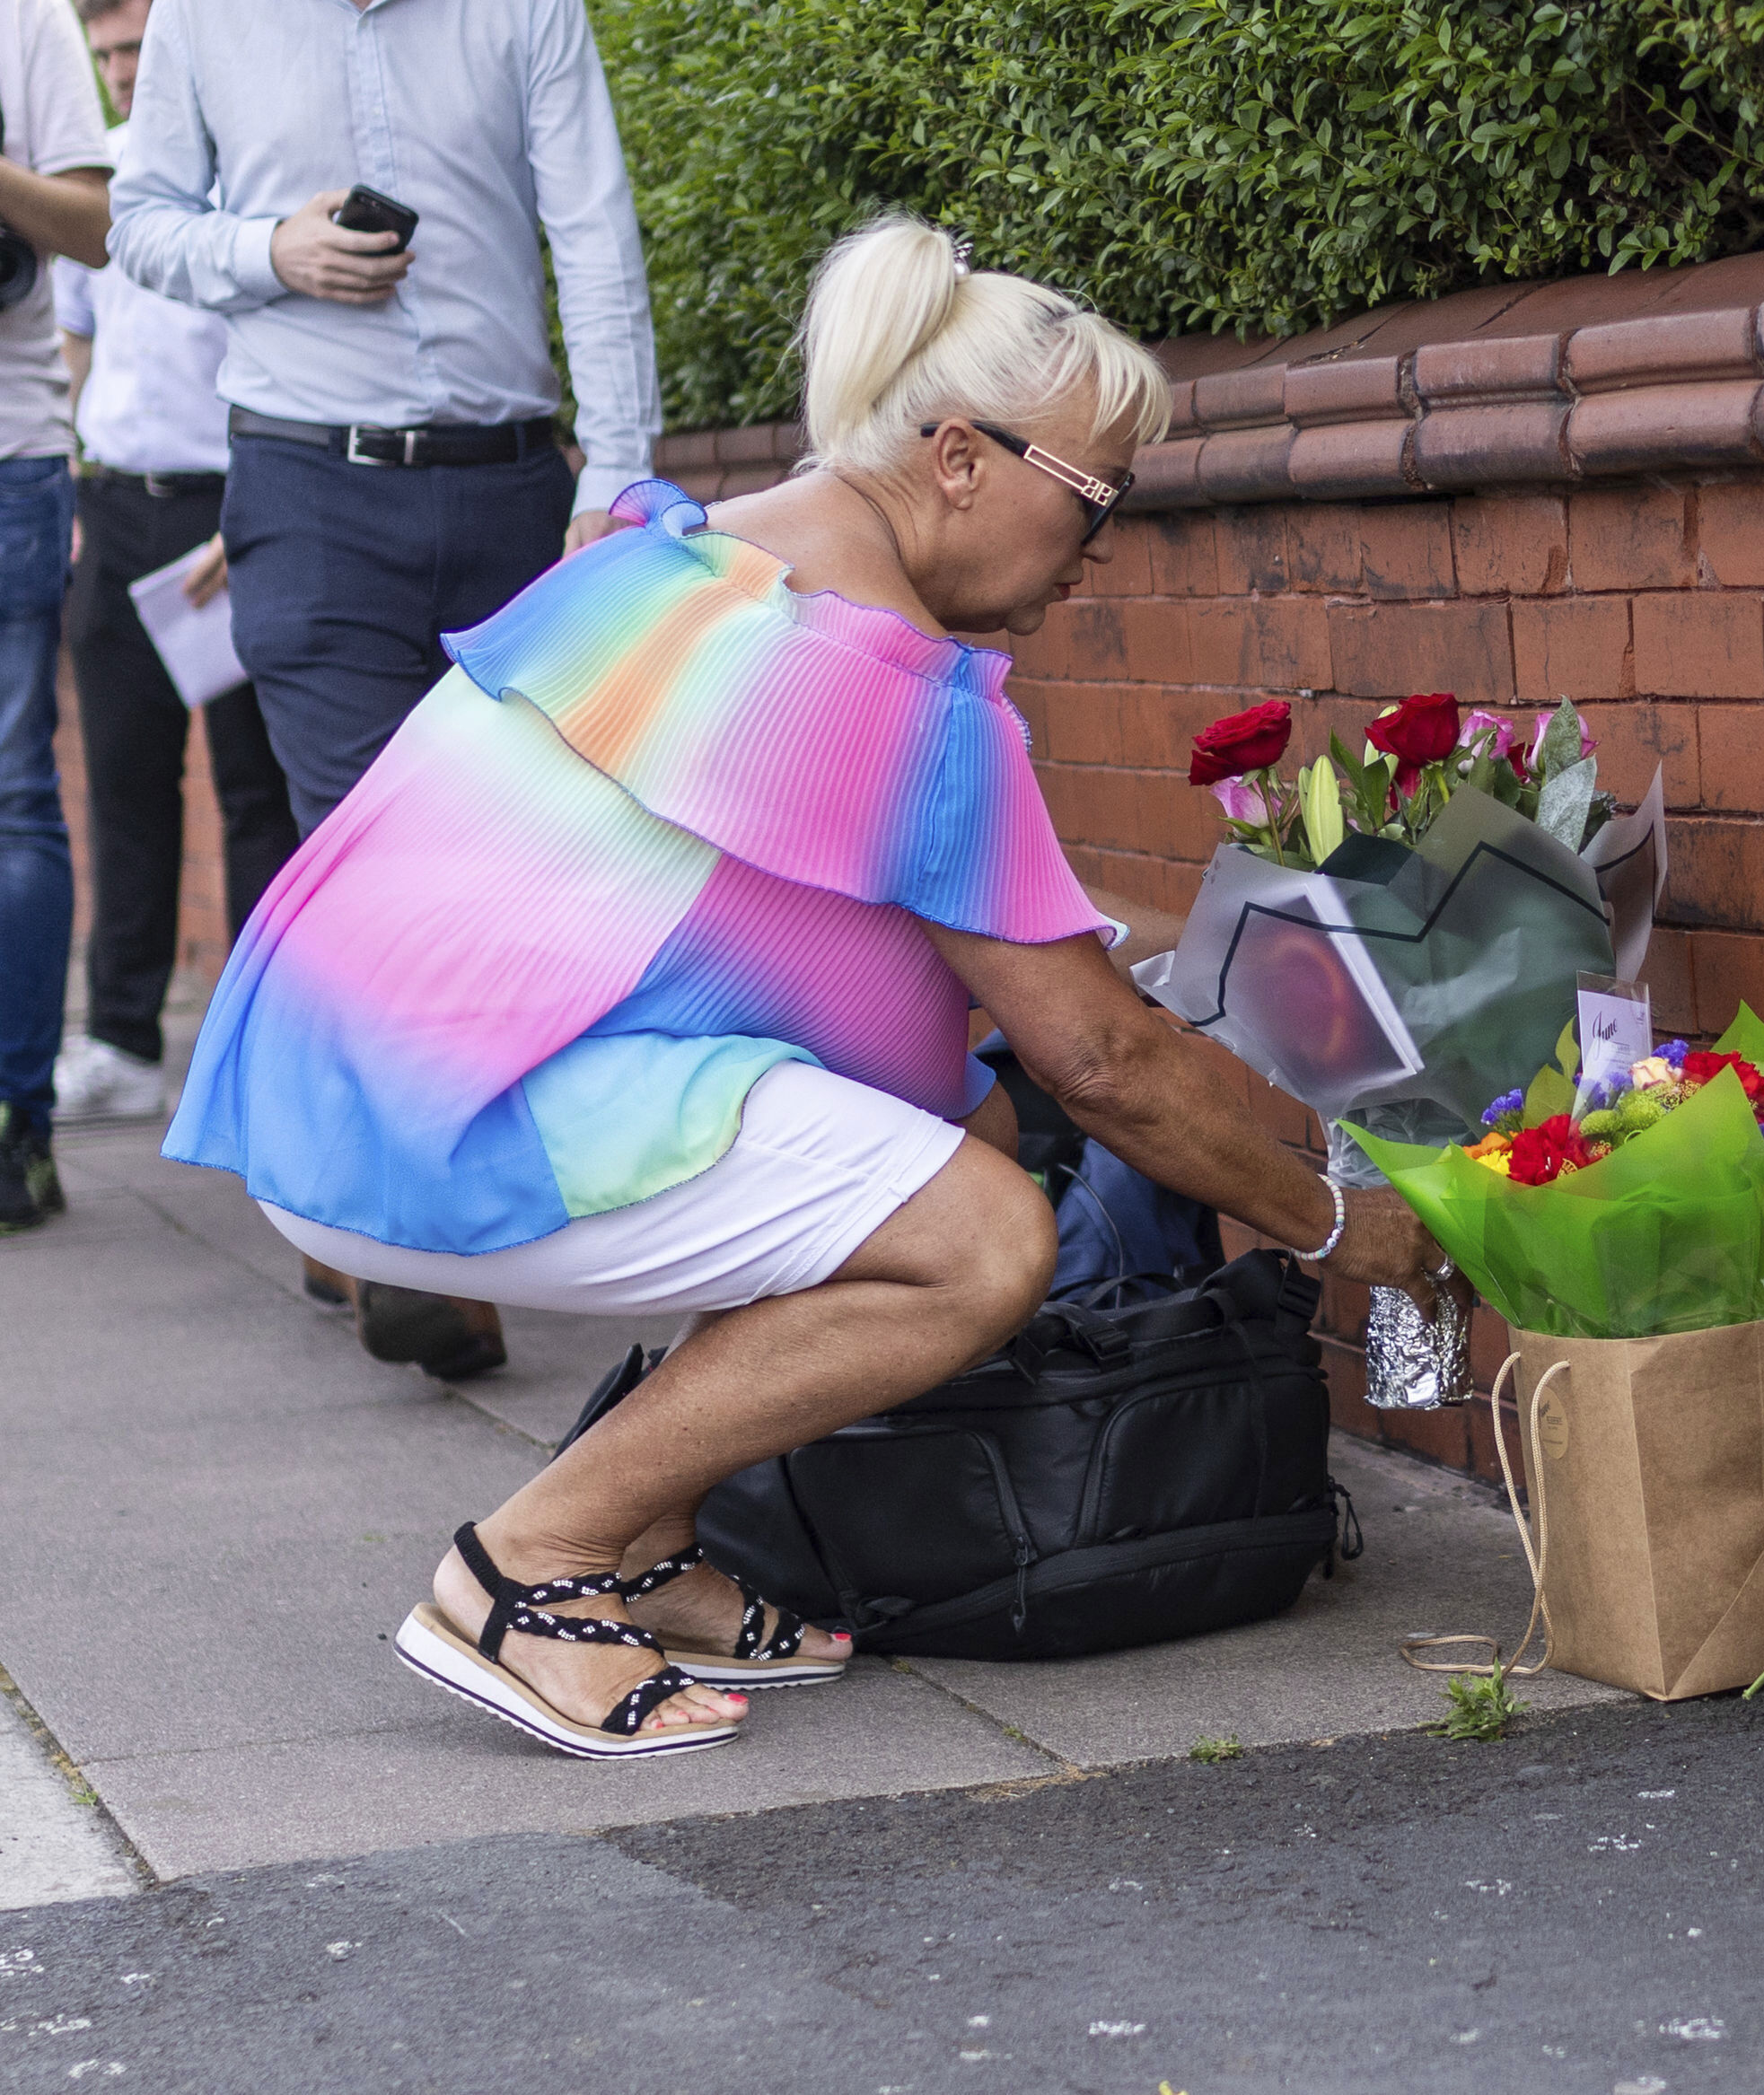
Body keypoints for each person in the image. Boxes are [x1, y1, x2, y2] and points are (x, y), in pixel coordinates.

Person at [163, 219, 1451, 1758]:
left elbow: (968, 946)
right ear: (962, 459)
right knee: (982, 1240)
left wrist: (1231, 962)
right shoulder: (893, 687)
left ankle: (654, 1546)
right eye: (1098, 495)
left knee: (944, 1154)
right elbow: (1101, 1057)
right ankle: (533, 1560)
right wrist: (1338, 1218)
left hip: (329, 1079)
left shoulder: (693, 556)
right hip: (428, 1126)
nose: (1101, 545)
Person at [107, 0, 660, 1342]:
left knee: (513, 855)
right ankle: (420, 1243)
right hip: (307, 489)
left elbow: (592, 227)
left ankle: (353, 1192)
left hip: (510, 487)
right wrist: (268, 250)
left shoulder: (525, 10)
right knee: (362, 849)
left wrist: (620, 469)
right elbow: (141, 223)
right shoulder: (203, 18)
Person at [48, 0, 297, 1133]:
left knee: (254, 790)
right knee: (123, 783)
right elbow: (78, 342)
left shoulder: (242, 172)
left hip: (225, 514)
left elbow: (279, 352)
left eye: (134, 48)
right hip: (114, 510)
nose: (119, 71)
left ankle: (260, 1049)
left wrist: (252, 513)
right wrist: (75, 480)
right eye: (104, 53)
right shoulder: (94, 186)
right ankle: (122, 1042)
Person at [0, 0, 117, 1235]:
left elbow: (95, 225)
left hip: (6, 457)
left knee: (11, 796)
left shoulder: (28, 17)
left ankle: (13, 1127)